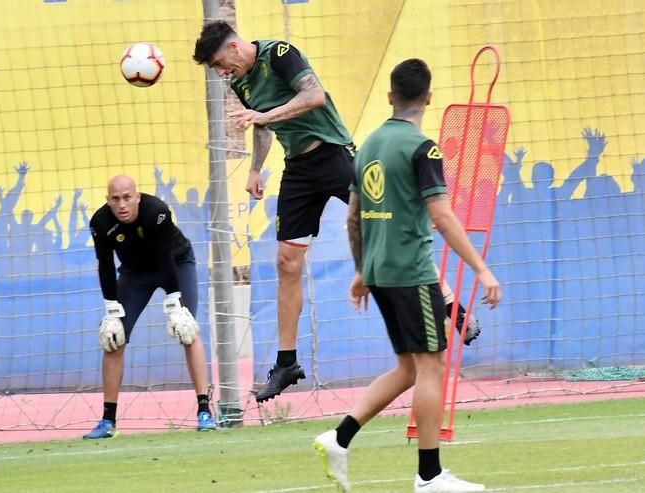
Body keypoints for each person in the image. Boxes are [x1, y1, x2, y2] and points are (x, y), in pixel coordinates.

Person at [313, 59, 501, 492]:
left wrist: (362, 270)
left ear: (390, 97)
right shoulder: (423, 148)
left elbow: (354, 217)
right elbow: (442, 215)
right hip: (412, 273)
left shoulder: (368, 146)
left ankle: (338, 438)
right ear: (429, 98)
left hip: (379, 273)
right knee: (432, 365)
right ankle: (430, 477)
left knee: (409, 367)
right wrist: (481, 268)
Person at [193, 21, 356, 402]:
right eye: (215, 69)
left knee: (383, 226)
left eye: (220, 63)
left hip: (333, 154)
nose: (221, 73)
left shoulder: (280, 54)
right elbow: (261, 124)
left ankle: (448, 302)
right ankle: (287, 363)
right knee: (286, 263)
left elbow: (314, 96)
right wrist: (254, 168)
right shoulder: (240, 82)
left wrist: (263, 117)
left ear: (234, 47)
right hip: (298, 170)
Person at [83, 175, 216, 439]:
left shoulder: (157, 212)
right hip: (135, 273)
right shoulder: (100, 223)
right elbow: (107, 267)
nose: (122, 204)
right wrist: (111, 310)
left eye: (127, 197)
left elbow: (165, 257)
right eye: (115, 199)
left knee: (187, 330)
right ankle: (108, 421)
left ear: (138, 197)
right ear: (108, 201)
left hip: (176, 264)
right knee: (113, 338)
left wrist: (175, 303)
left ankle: (205, 411)